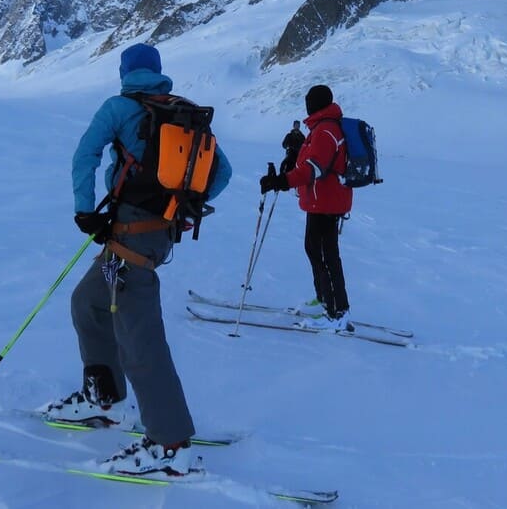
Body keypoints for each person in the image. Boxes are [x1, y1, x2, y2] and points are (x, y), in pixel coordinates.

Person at [43, 42, 232, 478]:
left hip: (131, 241)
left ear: (125, 73)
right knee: (89, 302)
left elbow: (84, 155)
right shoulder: (184, 112)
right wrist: (180, 210)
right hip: (143, 239)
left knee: (139, 336)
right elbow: (221, 173)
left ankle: (170, 445)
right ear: (158, 72)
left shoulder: (119, 107)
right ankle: (103, 398)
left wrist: (84, 210)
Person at [260, 84, 352, 331]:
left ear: (316, 104)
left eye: (310, 101)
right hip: (319, 201)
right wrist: (290, 163)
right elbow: (306, 160)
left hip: (328, 202)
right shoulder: (320, 128)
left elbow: (315, 168)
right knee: (314, 249)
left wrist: (283, 181)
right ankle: (324, 300)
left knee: (325, 253)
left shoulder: (326, 130)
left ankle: (337, 312)